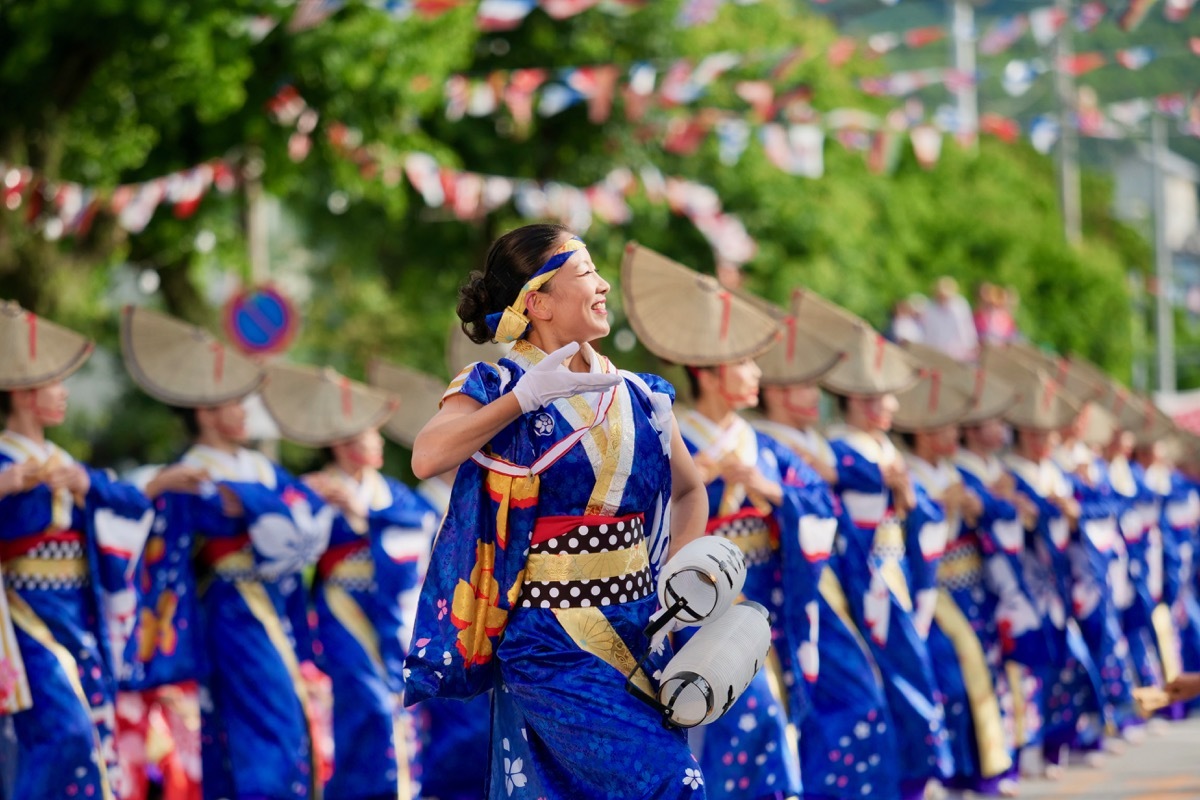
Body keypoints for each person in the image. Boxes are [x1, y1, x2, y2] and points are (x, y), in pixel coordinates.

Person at [403, 226, 711, 799]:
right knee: (673, 784)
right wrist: (522, 399)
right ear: (537, 301)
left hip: (644, 631)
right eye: (587, 272)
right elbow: (427, 456)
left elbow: (690, 493)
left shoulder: (643, 395)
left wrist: (678, 575)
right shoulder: (496, 385)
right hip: (551, 642)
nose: (604, 284)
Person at [119, 305, 334, 800]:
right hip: (233, 609)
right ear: (206, 410)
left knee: (280, 717)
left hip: (272, 604)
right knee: (262, 719)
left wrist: (271, 500)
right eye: (236, 403)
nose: (246, 413)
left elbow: (300, 516)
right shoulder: (192, 471)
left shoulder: (256, 467)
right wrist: (277, 503)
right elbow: (267, 510)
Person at [631, 256, 805, 800]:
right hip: (694, 600)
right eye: (746, 364)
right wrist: (701, 480)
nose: (756, 375)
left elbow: (817, 506)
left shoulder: (765, 449)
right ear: (709, 372)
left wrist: (771, 492)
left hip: (763, 591)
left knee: (766, 710)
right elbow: (636, 506)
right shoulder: (672, 437)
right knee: (737, 714)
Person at [0, 300, 158, 799]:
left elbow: (135, 506)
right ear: (24, 393)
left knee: (89, 729)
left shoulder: (66, 463)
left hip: (78, 610)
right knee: (63, 730)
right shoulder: (6, 459)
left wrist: (88, 484)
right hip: (23, 612)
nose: (64, 394)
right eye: (55, 384)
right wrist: (6, 484)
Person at [749, 288, 901, 800]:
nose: (816, 394)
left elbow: (856, 487)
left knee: (857, 690)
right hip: (764, 587)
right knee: (803, 702)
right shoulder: (764, 443)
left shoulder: (812, 446)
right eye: (803, 384)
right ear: (773, 390)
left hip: (826, 576)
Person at [262, 363, 439, 800]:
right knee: (366, 707)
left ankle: (401, 790)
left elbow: (421, 525)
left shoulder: (392, 495)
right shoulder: (315, 488)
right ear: (341, 443)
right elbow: (279, 533)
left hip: (390, 614)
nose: (377, 441)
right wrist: (313, 506)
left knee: (399, 707)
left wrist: (364, 517)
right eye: (367, 434)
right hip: (341, 610)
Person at [809, 293, 954, 800]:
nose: (887, 406)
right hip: (859, 573)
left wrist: (908, 495)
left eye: (888, 398)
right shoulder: (836, 449)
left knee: (912, 667)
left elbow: (925, 516)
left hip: (897, 571)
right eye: (875, 398)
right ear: (851, 400)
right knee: (882, 675)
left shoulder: (885, 450)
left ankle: (916, 774)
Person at [921, 277, 978, 362]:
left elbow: (965, 327)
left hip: (958, 350)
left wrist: (970, 344)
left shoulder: (959, 305)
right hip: (937, 349)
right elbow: (929, 330)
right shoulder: (931, 307)